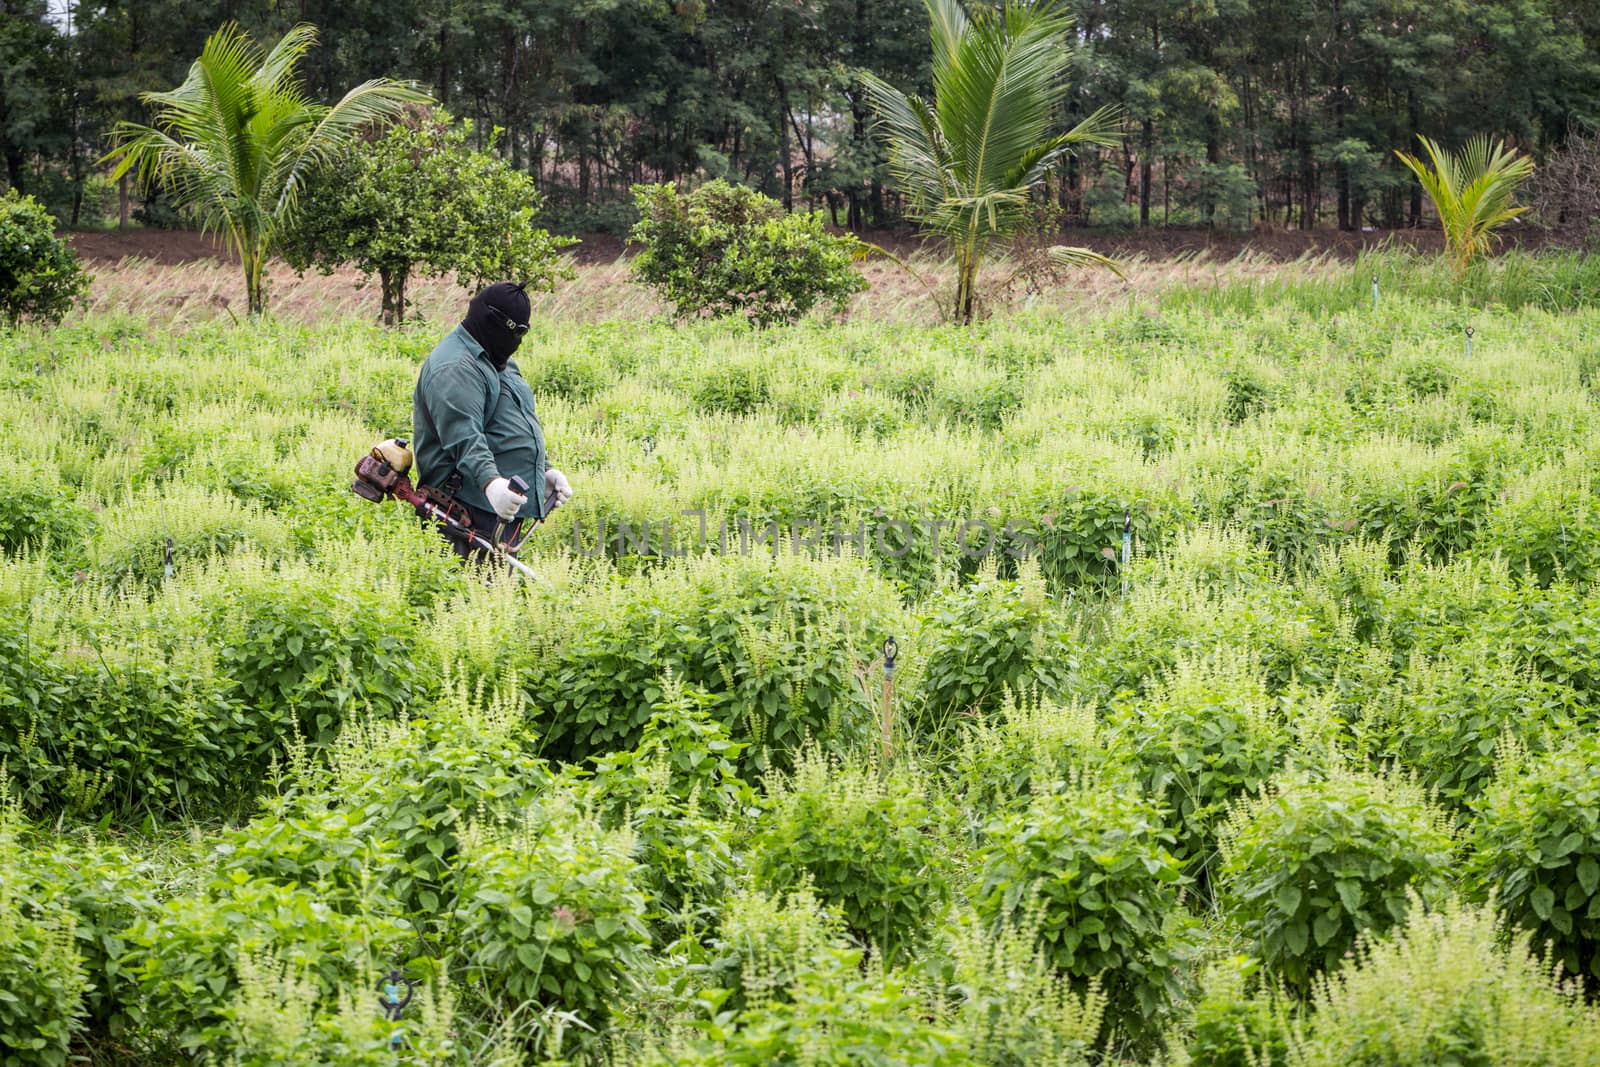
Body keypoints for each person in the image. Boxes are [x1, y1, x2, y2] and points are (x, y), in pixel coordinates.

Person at [411, 281, 572, 561]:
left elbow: (507, 421)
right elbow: (464, 437)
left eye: (524, 333)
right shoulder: (455, 367)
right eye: (515, 332)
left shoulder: (496, 359)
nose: (517, 342)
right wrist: (492, 484)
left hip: (498, 511)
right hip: (465, 510)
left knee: (496, 597)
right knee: (466, 598)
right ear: (492, 322)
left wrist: (543, 472)